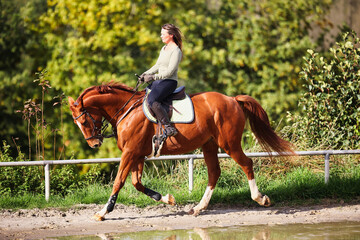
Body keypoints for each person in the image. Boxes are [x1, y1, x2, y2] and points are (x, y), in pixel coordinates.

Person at [140, 23, 183, 137]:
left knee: (152, 99)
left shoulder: (176, 51)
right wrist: (145, 74)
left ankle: (168, 127)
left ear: (171, 35)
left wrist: (153, 77)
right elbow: (158, 65)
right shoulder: (163, 48)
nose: (161, 36)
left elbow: (169, 72)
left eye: (163, 34)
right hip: (160, 81)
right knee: (143, 95)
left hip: (169, 82)